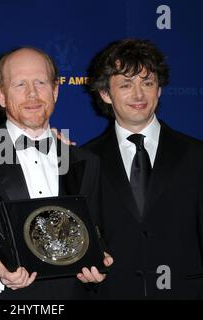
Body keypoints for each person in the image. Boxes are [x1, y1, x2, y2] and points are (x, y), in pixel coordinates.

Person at [0, 47, 112, 299]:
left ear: (55, 90)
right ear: (0, 95)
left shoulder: (86, 162)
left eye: (40, 82)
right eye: (20, 84)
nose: (32, 94)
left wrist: (99, 267)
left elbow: (99, 236)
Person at [84, 39, 203, 299]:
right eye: (126, 85)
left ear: (159, 89)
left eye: (147, 83)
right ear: (105, 94)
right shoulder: (84, 161)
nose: (138, 95)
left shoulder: (197, 156)